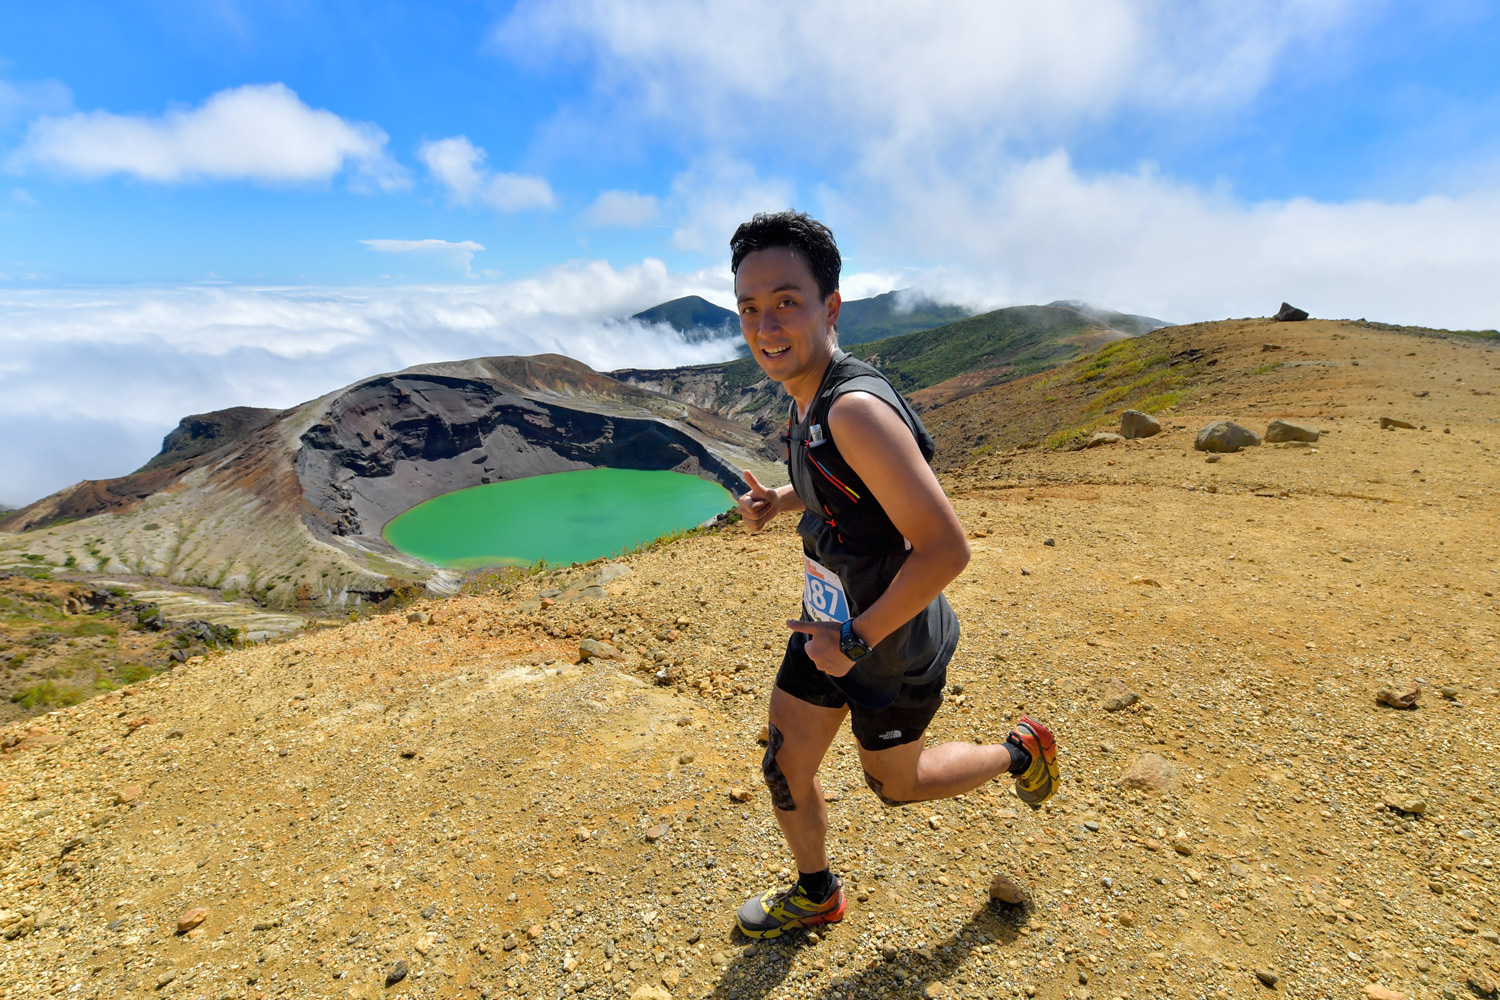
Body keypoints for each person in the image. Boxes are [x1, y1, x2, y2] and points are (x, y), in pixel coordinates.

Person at [729, 211, 1059, 939]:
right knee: (785, 765)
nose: (766, 324)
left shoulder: (851, 410)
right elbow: (850, 487)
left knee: (896, 786)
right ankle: (816, 892)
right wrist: (781, 501)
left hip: (888, 643)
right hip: (832, 624)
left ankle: (1019, 750)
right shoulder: (806, 396)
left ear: (830, 307)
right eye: (750, 307)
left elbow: (947, 549)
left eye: (787, 301)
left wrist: (853, 640)